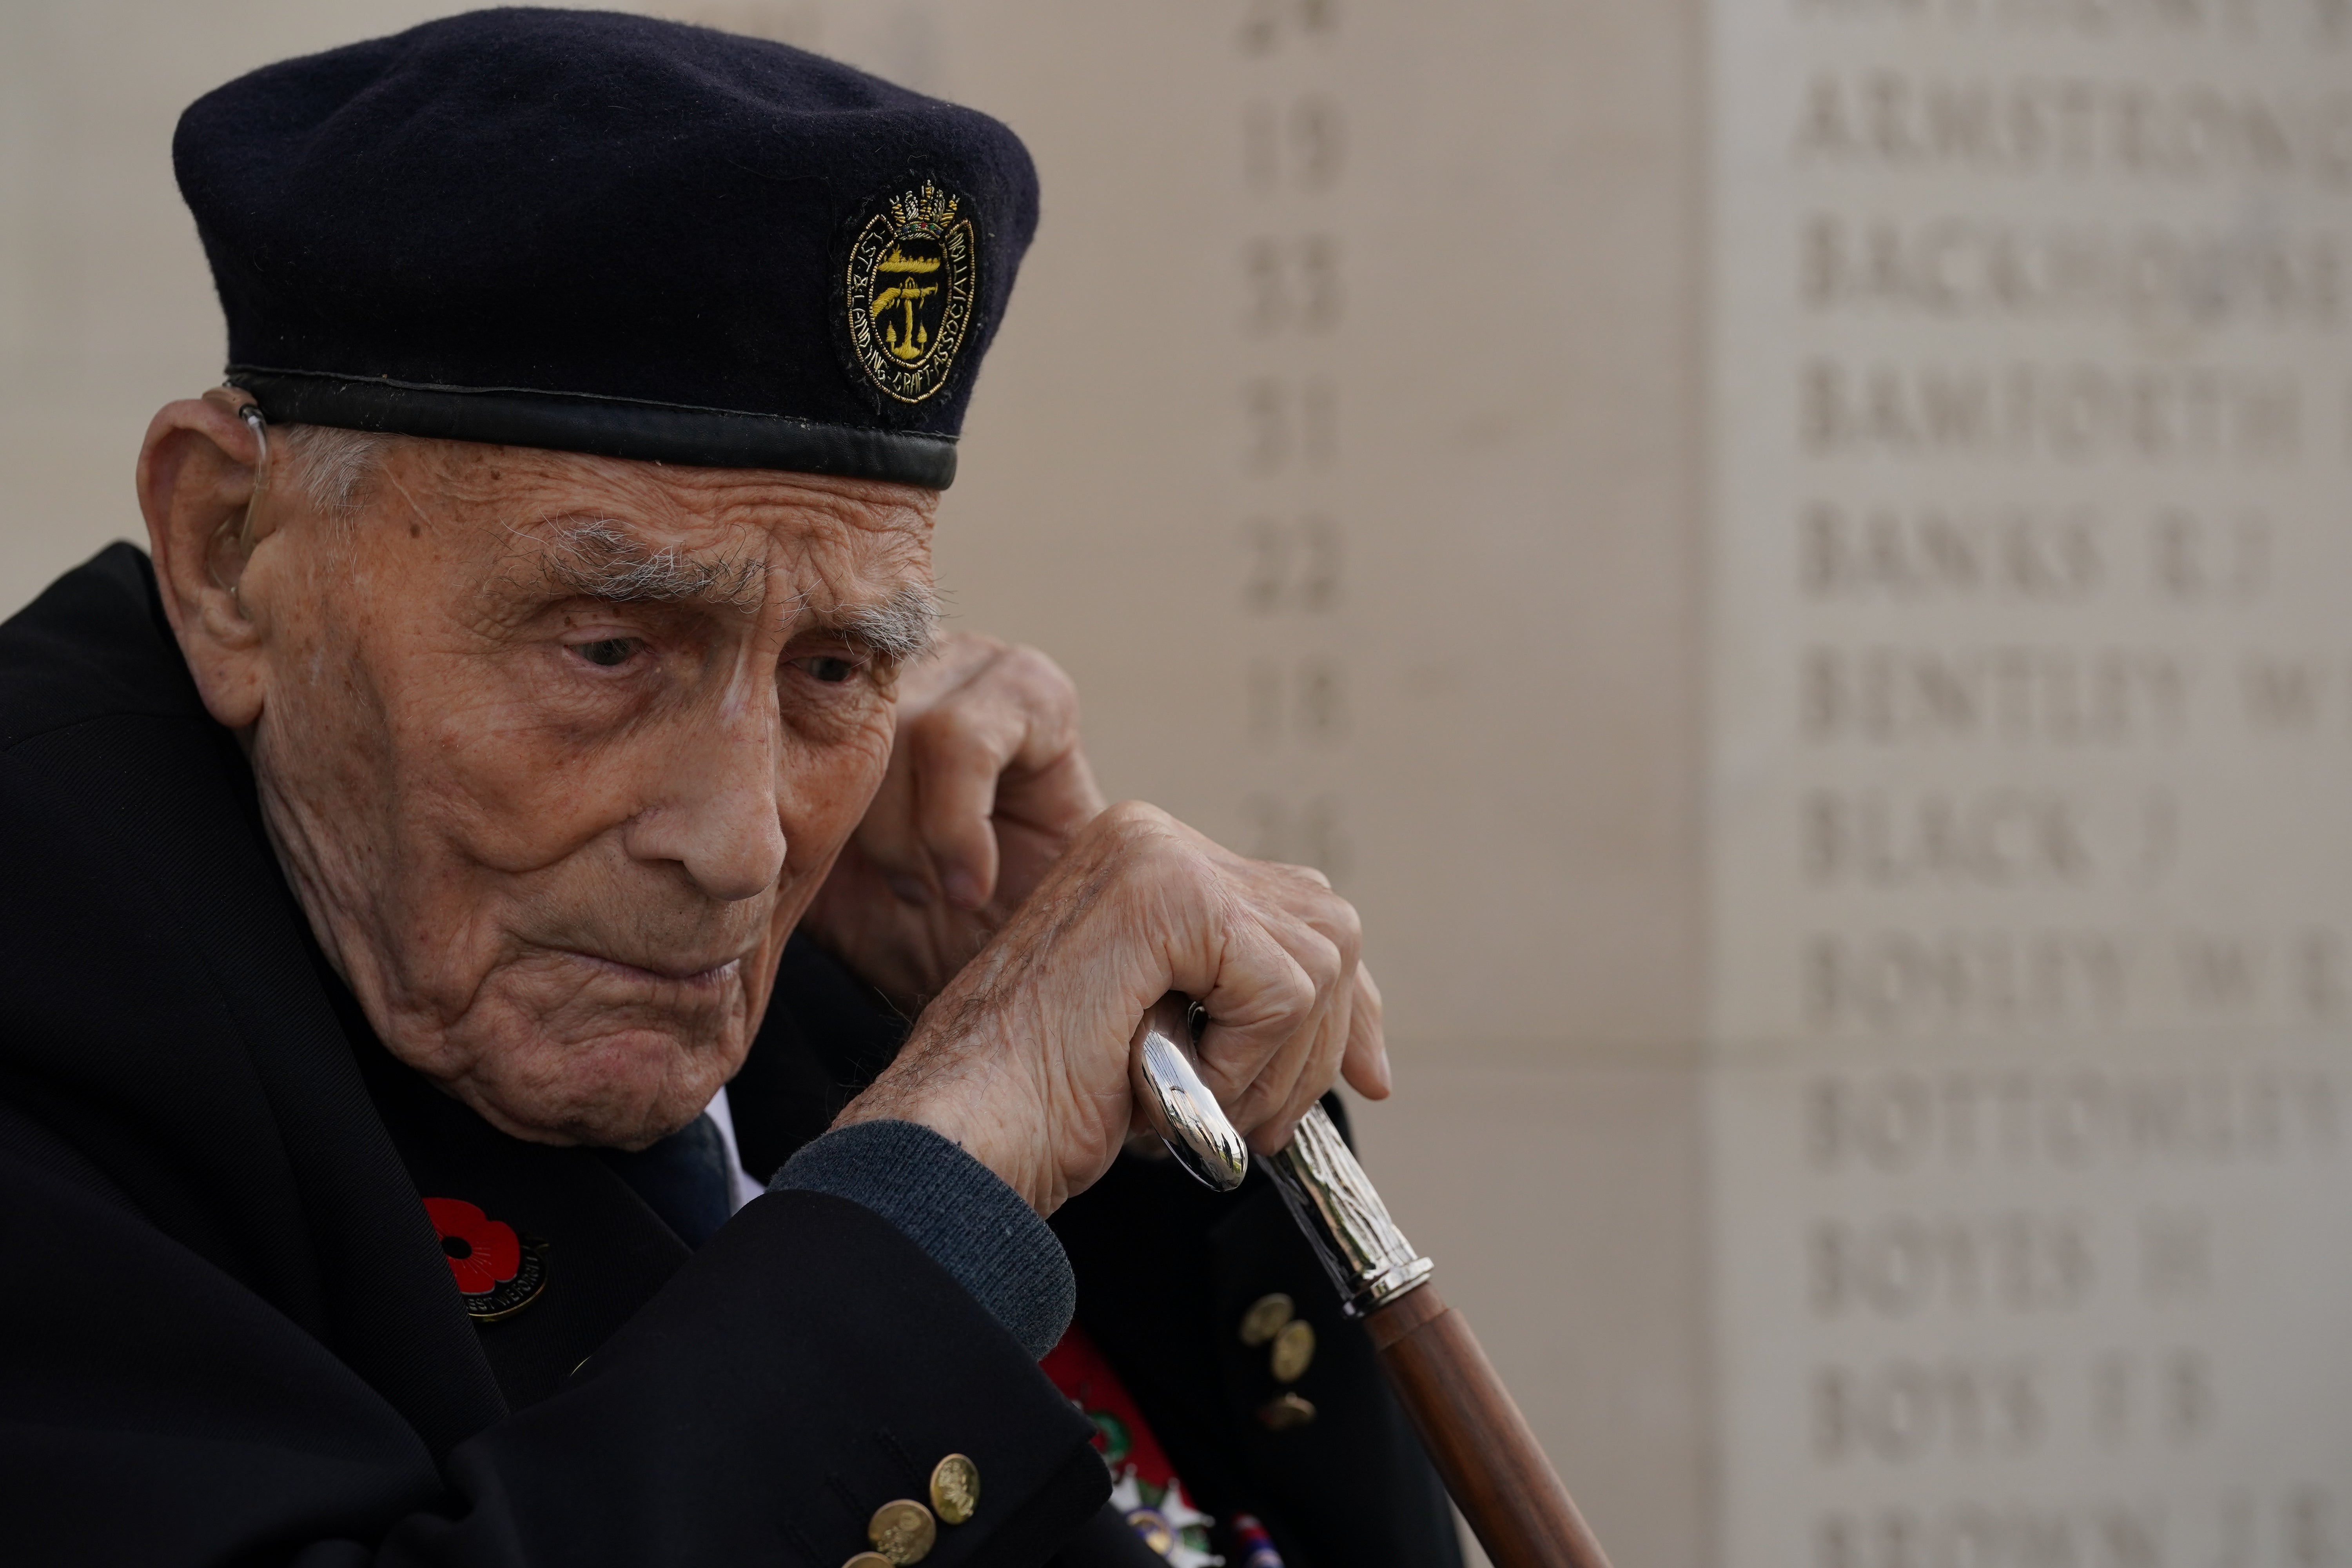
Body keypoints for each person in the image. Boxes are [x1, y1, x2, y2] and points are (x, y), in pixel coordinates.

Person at [0, 11, 1462, 1566]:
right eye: (612, 645)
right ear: (233, 553)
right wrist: (954, 1166)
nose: (743, 839)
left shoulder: (878, 936)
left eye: (836, 667)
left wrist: (1168, 1101)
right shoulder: (60, 955)